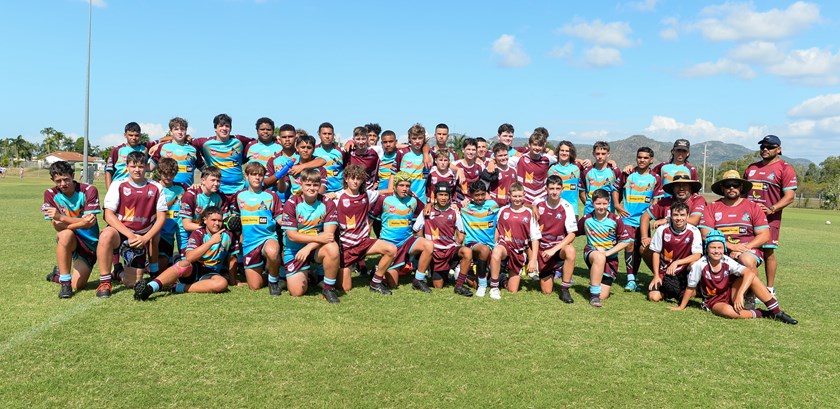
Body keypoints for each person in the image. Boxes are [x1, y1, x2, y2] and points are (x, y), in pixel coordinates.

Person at [671, 230, 798, 324]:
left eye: (720, 247)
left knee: (751, 276)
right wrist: (681, 307)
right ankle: (764, 313)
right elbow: (690, 287)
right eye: (713, 247)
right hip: (714, 300)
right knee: (730, 313)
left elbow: (749, 273)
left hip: (729, 292)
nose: (716, 251)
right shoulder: (700, 265)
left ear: (724, 248)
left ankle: (777, 312)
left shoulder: (726, 260)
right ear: (707, 249)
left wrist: (739, 294)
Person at [96, 151, 168, 298]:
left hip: (142, 236)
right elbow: (108, 215)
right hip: (122, 233)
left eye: (141, 166)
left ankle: (128, 272)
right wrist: (130, 235)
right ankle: (104, 281)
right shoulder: (118, 185)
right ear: (127, 167)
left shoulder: (156, 187)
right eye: (133, 166)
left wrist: (145, 238)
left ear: (146, 167)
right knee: (106, 235)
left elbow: (161, 217)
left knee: (132, 283)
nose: (137, 169)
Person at [134, 206, 236, 299]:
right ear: (205, 220)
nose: (217, 223)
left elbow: (232, 259)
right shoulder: (198, 233)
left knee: (222, 283)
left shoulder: (228, 235)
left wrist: (233, 282)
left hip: (210, 273)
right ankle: (150, 287)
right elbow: (190, 257)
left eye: (219, 221)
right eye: (213, 220)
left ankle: (176, 288)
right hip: (194, 269)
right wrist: (211, 242)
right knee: (183, 263)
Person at [744, 135, 797, 296]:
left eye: (770, 146)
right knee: (747, 250)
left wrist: (771, 208)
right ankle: (751, 287)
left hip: (770, 218)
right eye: (762, 147)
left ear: (779, 149)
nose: (765, 149)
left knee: (768, 251)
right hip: (748, 218)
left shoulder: (785, 168)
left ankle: (770, 289)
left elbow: (790, 196)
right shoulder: (751, 167)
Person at [700, 170, 770, 290]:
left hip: (747, 249)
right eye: (728, 185)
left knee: (747, 260)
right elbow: (705, 234)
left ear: (741, 187)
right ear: (722, 188)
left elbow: (764, 235)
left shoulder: (753, 206)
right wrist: (730, 246)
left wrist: (743, 248)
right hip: (720, 249)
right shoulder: (712, 207)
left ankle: (750, 297)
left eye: (735, 185)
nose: (732, 188)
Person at [332, 165, 397, 294]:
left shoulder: (367, 194)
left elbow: (386, 192)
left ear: (362, 181)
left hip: (363, 242)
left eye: (358, 178)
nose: (355, 181)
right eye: (352, 178)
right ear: (346, 179)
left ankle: (375, 282)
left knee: (391, 250)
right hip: (346, 247)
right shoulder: (337, 197)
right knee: (345, 288)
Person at [280, 168, 342, 303]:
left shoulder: (327, 203)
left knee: (332, 247)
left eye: (315, 185)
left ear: (320, 185)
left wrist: (308, 248)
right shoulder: (291, 203)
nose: (312, 188)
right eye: (308, 184)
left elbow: (329, 235)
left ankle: (328, 288)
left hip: (315, 248)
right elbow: (291, 235)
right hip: (295, 249)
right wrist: (316, 239)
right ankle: (306, 273)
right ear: (300, 184)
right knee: (297, 292)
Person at [42, 161, 101, 298]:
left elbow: (90, 223)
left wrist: (61, 218)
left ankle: (57, 276)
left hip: (89, 243)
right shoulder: (50, 194)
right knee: (65, 235)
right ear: (52, 180)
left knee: (78, 285)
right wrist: (81, 223)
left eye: (66, 179)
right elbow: (56, 226)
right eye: (58, 181)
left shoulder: (89, 190)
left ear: (73, 176)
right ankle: (65, 285)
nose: (63, 184)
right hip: (69, 240)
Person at [371, 171, 434, 292]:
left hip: (407, 241)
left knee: (428, 245)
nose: (405, 189)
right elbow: (371, 219)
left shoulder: (413, 201)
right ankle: (379, 270)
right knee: (393, 284)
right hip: (390, 244)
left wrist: (429, 204)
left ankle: (418, 280)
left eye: (407, 186)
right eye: (401, 185)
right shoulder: (384, 199)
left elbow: (425, 210)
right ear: (395, 185)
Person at [412, 182, 474, 296]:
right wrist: (424, 246)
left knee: (467, 251)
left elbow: (461, 234)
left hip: (450, 250)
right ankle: (435, 271)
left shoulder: (454, 212)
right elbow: (416, 230)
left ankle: (459, 285)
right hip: (435, 252)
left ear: (450, 197)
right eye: (440, 195)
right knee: (438, 286)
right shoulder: (426, 211)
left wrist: (456, 244)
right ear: (435, 196)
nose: (443, 198)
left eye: (446, 195)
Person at [612, 147, 661, 292]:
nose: (642, 160)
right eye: (640, 157)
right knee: (629, 245)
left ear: (651, 160)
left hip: (643, 221)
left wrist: (650, 214)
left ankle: (634, 277)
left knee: (641, 249)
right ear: (636, 158)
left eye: (645, 158)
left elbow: (657, 199)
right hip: (627, 219)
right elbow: (616, 189)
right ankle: (630, 280)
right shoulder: (627, 174)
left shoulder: (655, 178)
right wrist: (617, 205)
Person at [232, 162, 284, 294]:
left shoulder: (271, 196)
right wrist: (240, 235)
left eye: (260, 175)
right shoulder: (239, 196)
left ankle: (273, 282)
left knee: (272, 252)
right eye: (253, 174)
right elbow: (236, 218)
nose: (257, 178)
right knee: (255, 286)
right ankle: (273, 272)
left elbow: (279, 218)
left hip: (267, 237)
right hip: (249, 242)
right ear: (247, 176)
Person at [578, 188, 632, 308]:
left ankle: (594, 285)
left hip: (610, 258)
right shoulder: (587, 219)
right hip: (592, 253)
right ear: (592, 203)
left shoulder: (615, 220)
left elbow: (625, 241)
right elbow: (574, 232)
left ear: (609, 203)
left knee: (604, 295)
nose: (601, 207)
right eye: (598, 204)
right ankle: (594, 297)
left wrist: (608, 253)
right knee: (599, 257)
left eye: (604, 203)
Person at [486, 183, 541, 299]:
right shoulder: (503, 210)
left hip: (519, 251)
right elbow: (497, 229)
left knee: (512, 290)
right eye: (515, 196)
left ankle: (502, 280)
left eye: (520, 196)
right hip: (505, 246)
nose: (517, 199)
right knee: (497, 251)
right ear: (509, 196)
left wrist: (533, 259)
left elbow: (535, 238)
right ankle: (494, 287)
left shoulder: (529, 213)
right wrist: (491, 246)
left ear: (524, 196)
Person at [647, 202, 702, 303]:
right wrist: (656, 276)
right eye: (675, 215)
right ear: (670, 216)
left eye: (682, 215)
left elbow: (697, 255)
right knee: (653, 297)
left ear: (687, 216)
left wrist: (676, 262)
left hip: (684, 271)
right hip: (665, 271)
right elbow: (656, 253)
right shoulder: (662, 230)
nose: (679, 218)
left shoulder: (694, 231)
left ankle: (691, 288)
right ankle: (671, 291)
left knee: (695, 264)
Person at [535, 175, 578, 303]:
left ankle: (565, 289)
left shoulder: (567, 206)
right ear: (546, 189)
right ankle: (554, 271)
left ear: (562, 189)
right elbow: (527, 204)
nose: (554, 192)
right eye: (551, 188)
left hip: (557, 249)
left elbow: (572, 234)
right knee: (546, 291)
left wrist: (553, 250)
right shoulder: (538, 203)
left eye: (557, 188)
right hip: (542, 249)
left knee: (570, 250)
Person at [190, 113, 254, 195]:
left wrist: (274, 138)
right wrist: (202, 167)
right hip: (217, 190)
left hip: (239, 189)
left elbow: (256, 142)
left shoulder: (239, 140)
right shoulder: (205, 143)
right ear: (215, 128)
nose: (224, 128)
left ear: (231, 128)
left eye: (227, 126)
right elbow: (190, 145)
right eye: (221, 126)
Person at [460, 181, 501, 294]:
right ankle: (482, 286)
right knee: (484, 249)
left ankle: (464, 273)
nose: (480, 197)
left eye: (482, 194)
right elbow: (448, 204)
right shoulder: (464, 208)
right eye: (477, 195)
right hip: (472, 244)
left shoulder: (493, 205)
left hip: (490, 245)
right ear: (471, 196)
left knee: (474, 284)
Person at [154, 158, 189, 274]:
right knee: (162, 262)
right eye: (165, 174)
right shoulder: (154, 188)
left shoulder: (181, 188)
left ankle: (177, 258)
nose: (168, 177)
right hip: (161, 231)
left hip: (180, 228)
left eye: (172, 174)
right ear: (159, 172)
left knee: (187, 260)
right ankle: (171, 260)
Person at [149, 117, 202, 186]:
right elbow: (149, 168)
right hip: (167, 192)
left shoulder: (193, 149)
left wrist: (201, 184)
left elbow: (204, 170)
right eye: (176, 129)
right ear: (171, 131)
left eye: (182, 129)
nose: (180, 132)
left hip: (186, 192)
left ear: (186, 131)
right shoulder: (162, 147)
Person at [515, 128, 556, 204]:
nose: (537, 148)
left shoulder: (547, 159)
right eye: (535, 145)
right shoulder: (520, 159)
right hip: (524, 199)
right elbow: (502, 158)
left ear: (544, 145)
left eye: (540, 145)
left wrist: (581, 161)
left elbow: (565, 158)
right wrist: (492, 161)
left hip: (541, 198)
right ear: (529, 145)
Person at [394, 124, 431, 204]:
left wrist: (459, 169)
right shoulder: (402, 153)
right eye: (414, 138)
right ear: (409, 138)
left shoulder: (429, 155)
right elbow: (393, 175)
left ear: (424, 138)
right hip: (403, 199)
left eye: (420, 138)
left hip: (421, 200)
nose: (417, 141)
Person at [580, 141, 620, 215]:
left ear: (608, 154)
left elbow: (618, 191)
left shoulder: (615, 171)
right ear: (593, 154)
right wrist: (589, 204)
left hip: (608, 212)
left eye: (603, 154)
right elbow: (582, 192)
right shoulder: (586, 171)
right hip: (590, 212)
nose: (600, 156)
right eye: (597, 153)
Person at [548, 140, 584, 215]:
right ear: (558, 152)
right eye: (562, 150)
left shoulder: (577, 169)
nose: (564, 153)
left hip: (573, 210)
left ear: (571, 153)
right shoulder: (552, 169)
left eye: (567, 151)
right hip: (555, 210)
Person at [480, 143, 517, 207]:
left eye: (505, 155)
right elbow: (481, 189)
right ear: (494, 156)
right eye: (500, 156)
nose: (503, 158)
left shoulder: (514, 170)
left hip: (510, 206)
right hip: (494, 206)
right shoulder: (490, 170)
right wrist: (491, 203)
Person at [314, 122, 346, 196]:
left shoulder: (340, 151)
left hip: (339, 191)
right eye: (324, 134)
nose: (327, 136)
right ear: (319, 135)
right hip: (320, 192)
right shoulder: (313, 151)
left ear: (333, 135)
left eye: (329, 134)